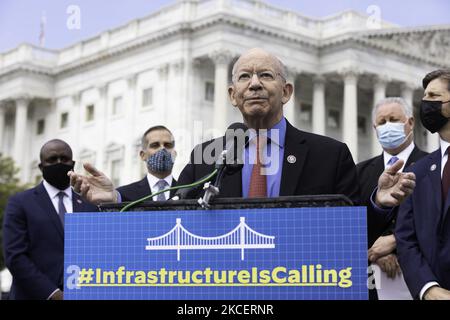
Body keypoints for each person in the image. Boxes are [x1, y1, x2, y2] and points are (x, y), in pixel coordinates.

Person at [69, 49, 415, 215]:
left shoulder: (330, 154)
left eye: (266, 75)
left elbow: (350, 230)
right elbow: (168, 216)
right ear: (232, 95)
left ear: (287, 91)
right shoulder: (207, 158)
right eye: (244, 77)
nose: (254, 84)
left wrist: (379, 203)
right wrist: (115, 201)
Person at [2, 139, 98, 300]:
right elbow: (15, 256)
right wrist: (53, 294)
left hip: (83, 294)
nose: (59, 163)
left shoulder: (89, 203)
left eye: (64, 158)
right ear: (41, 166)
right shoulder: (20, 203)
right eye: (52, 160)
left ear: (72, 163)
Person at [357, 97, 428, 299]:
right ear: (375, 128)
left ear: (410, 123)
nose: (387, 126)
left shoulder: (434, 165)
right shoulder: (359, 172)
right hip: (371, 281)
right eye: (382, 122)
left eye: (393, 119)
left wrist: (395, 241)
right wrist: (374, 247)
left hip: (423, 277)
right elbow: (353, 219)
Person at [396, 69, 450, 300]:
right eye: (425, 96)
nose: (425, 103)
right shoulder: (417, 171)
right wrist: (428, 288)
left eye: (434, 97)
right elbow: (406, 238)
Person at [117, 125, 177, 202]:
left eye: (168, 145)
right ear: (143, 155)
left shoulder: (190, 193)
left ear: (174, 154)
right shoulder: (123, 195)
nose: (162, 149)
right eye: (155, 145)